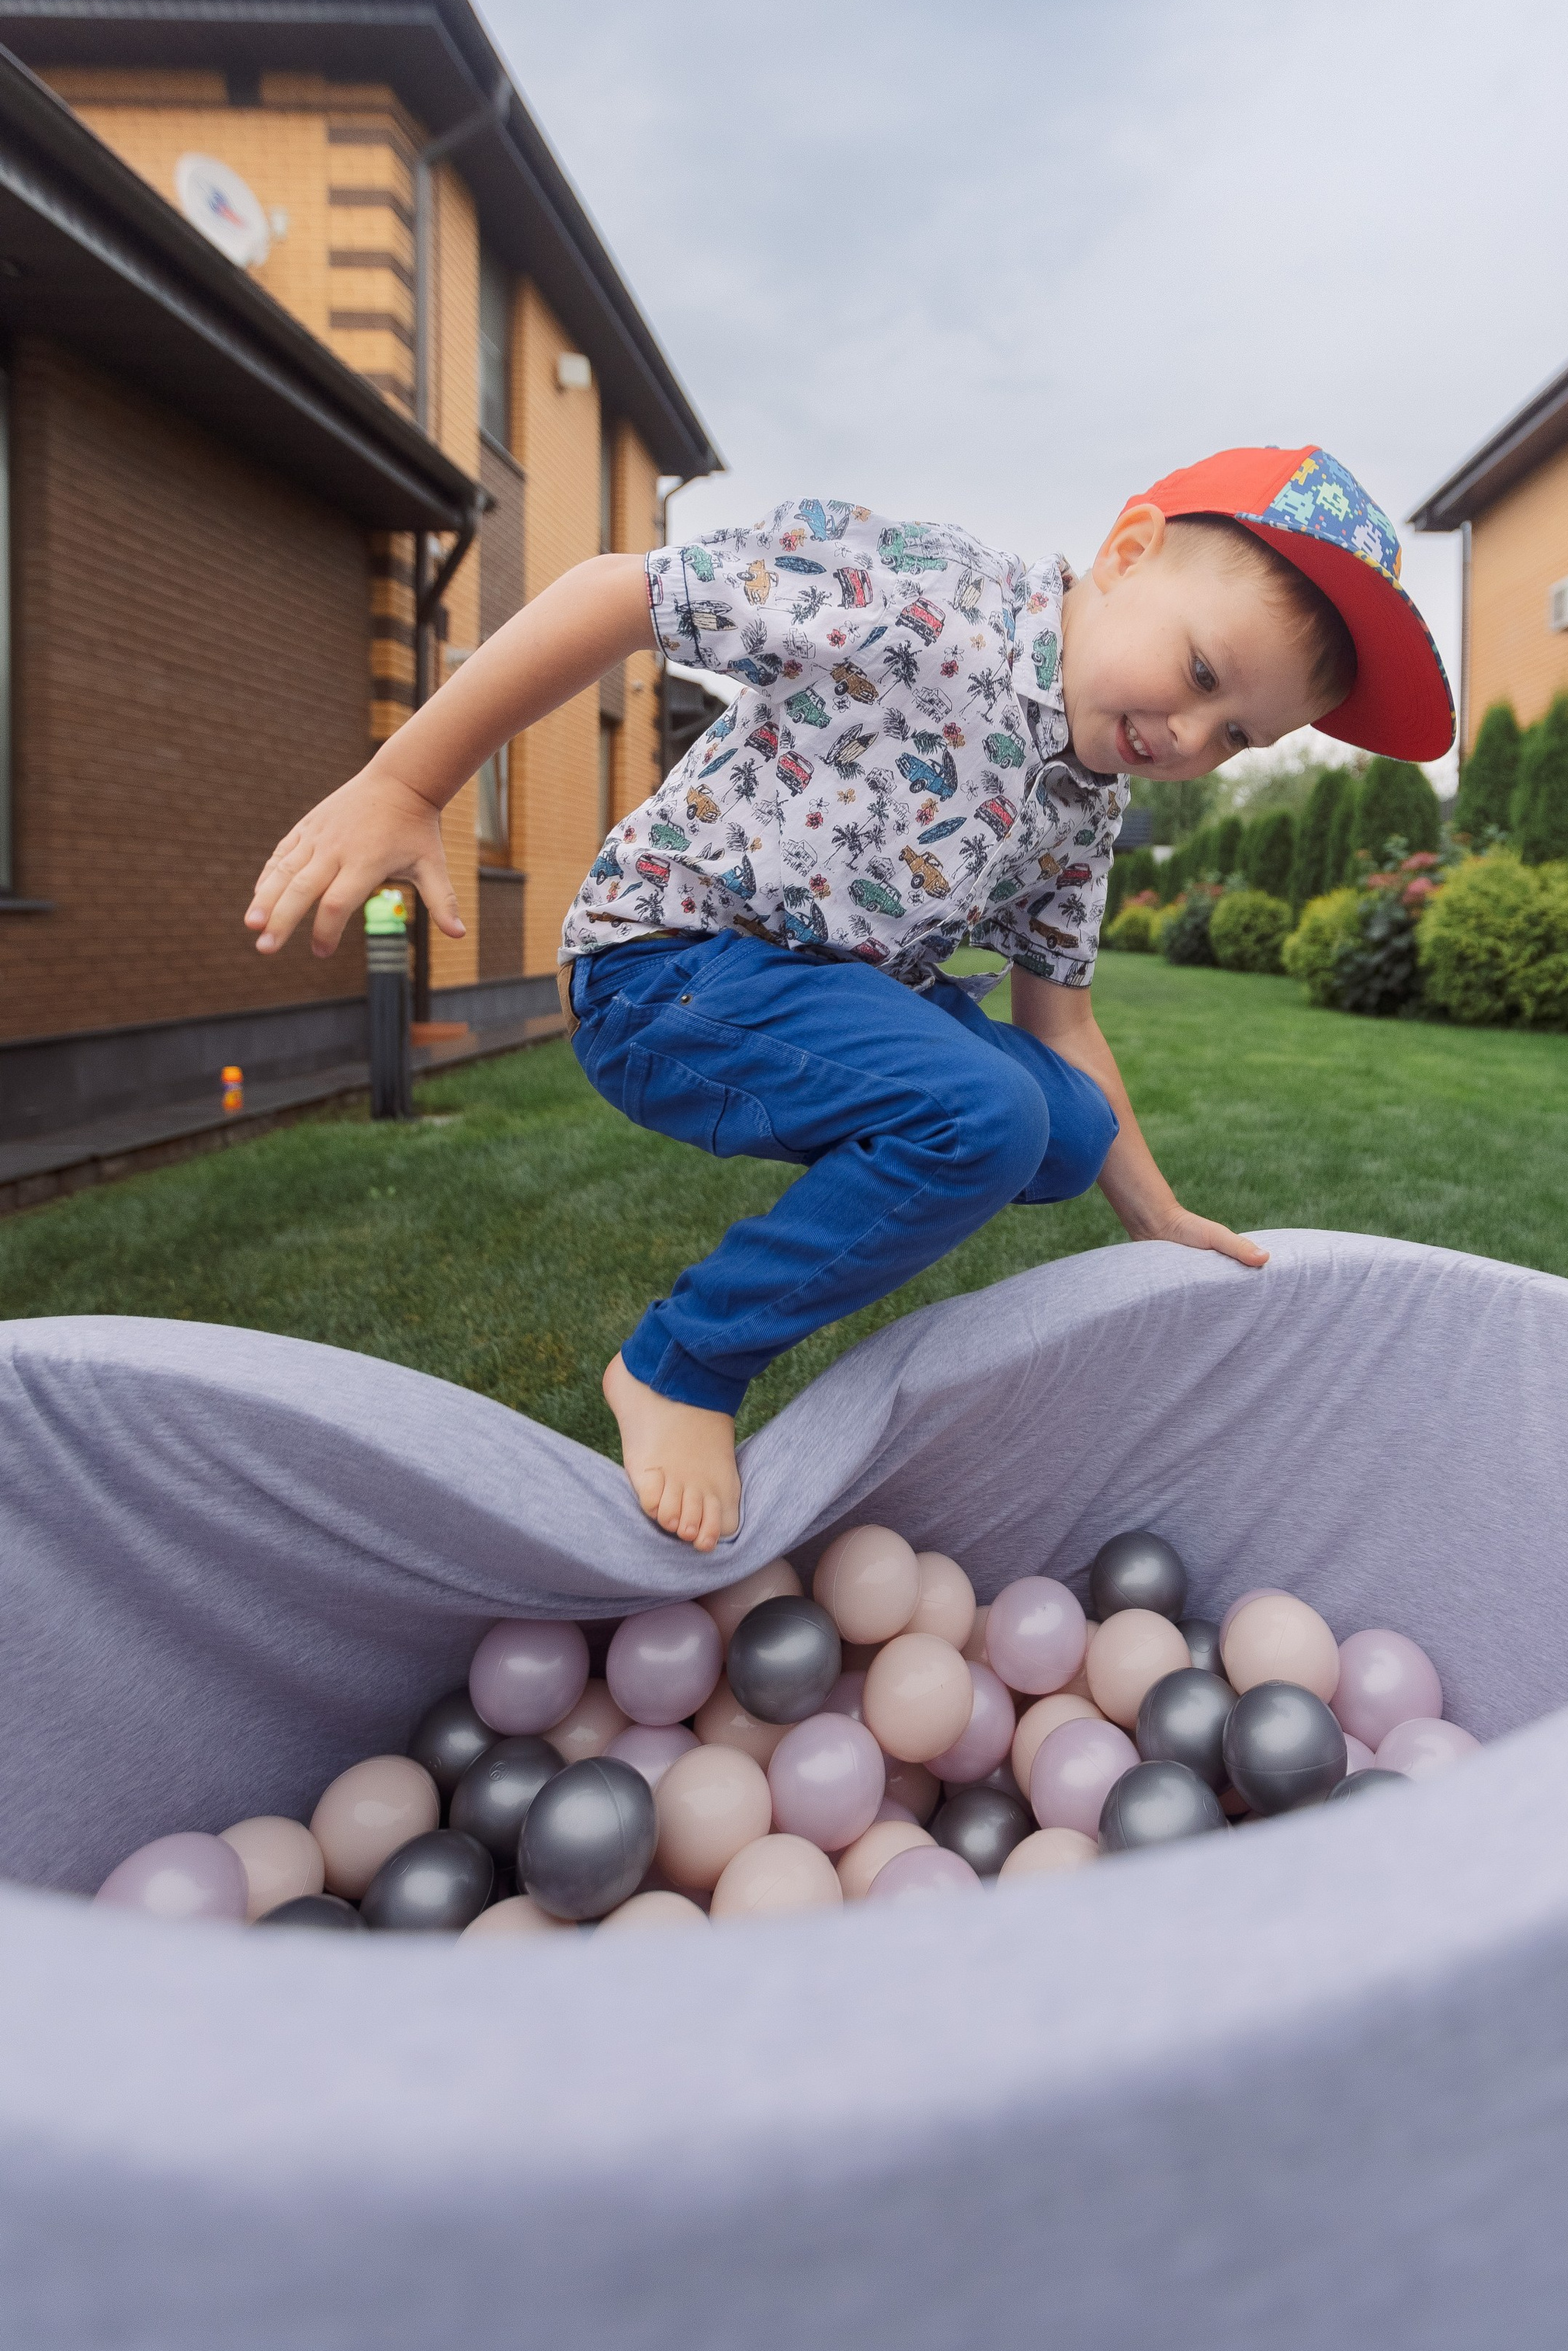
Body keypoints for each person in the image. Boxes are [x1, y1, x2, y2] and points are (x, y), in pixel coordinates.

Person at [246, 446, 1452, 1551]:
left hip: (833, 985)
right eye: (1200, 673)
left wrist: (1158, 1216)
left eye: (1236, 736)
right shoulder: (928, 600)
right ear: (1129, 551)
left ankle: (916, 1134)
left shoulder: (1087, 803)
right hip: (666, 967)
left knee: (1069, 1130)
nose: (1190, 734)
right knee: (988, 1117)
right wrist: (408, 785)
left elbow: (1063, 1022)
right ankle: (680, 1364)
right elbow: (620, 591)